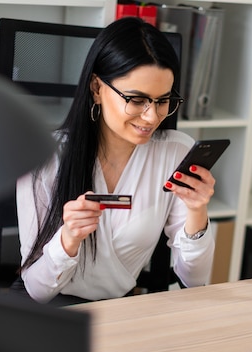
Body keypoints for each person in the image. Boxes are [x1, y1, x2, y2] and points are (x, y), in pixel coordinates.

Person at [14, 17, 216, 304]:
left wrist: (198, 210)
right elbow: (36, 290)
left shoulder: (176, 153)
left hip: (119, 310)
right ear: (97, 88)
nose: (152, 116)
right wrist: (68, 238)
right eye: (136, 99)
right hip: (53, 311)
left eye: (163, 100)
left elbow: (194, 280)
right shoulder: (43, 159)